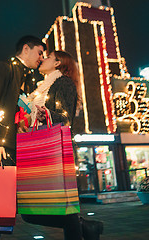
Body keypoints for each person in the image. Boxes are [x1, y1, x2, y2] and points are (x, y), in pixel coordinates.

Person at [20, 50, 103, 240]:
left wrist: (47, 115)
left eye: (47, 56)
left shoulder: (63, 82)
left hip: (54, 149)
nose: (43, 59)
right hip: (40, 148)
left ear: (57, 63)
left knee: (62, 206)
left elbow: (66, 118)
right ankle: (86, 227)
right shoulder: (42, 87)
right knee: (30, 212)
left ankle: (82, 227)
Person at [0, 35, 46, 240]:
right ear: (26, 49)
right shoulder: (3, 68)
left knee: (0, 211)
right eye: (39, 52)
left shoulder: (24, 77)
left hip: (7, 146)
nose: (41, 57)